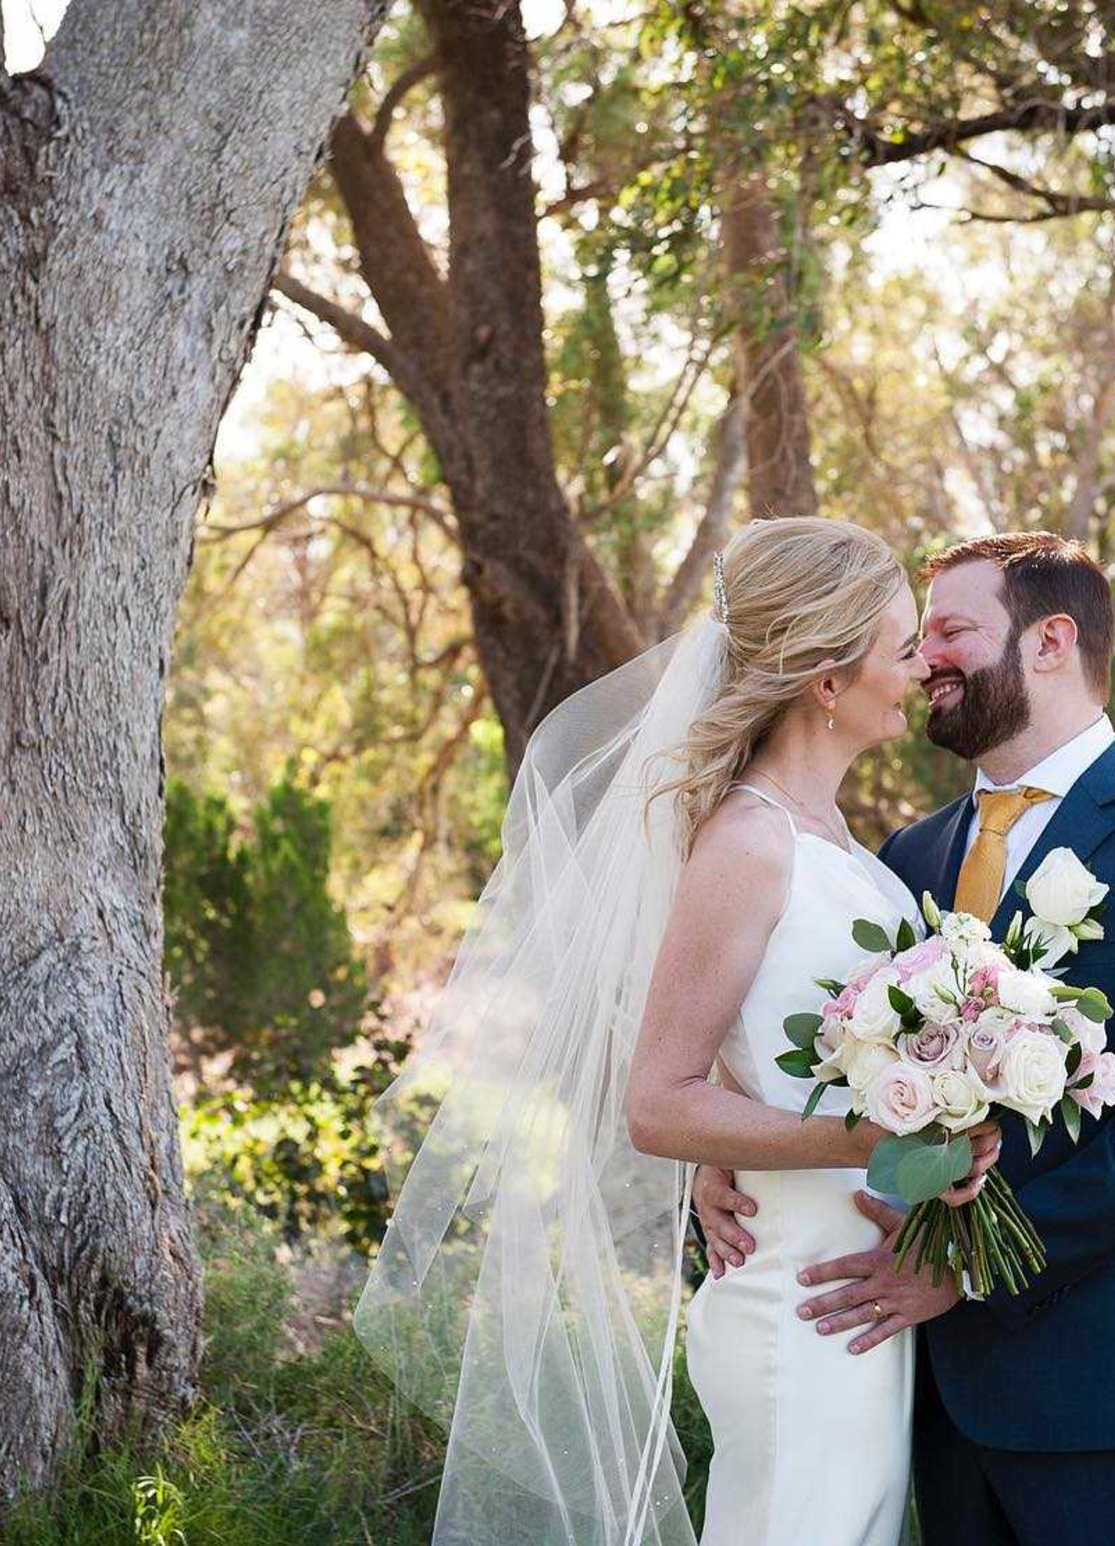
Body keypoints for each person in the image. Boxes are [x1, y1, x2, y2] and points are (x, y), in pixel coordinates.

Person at [354, 517, 995, 1544]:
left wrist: (943, 1143)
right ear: (824, 682)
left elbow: (762, 1064)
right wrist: (874, 1141)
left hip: (851, 1294)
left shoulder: (830, 837)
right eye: (900, 643)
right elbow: (657, 1100)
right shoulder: (747, 840)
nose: (920, 667)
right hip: (798, 1302)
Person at [695, 532, 1115, 1545]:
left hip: (1111, 1400)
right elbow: (820, 1038)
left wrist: (962, 1268)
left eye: (951, 631)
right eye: (915, 639)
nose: (925, 661)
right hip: (931, 1395)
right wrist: (722, 1138)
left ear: (1050, 642)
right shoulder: (905, 857)